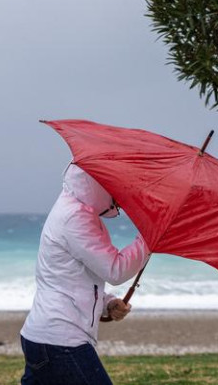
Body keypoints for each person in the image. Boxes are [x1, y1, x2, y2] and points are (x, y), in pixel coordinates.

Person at [20, 164, 150, 385]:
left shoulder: (76, 210)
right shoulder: (75, 217)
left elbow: (75, 276)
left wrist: (107, 303)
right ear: (97, 183)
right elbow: (115, 270)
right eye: (112, 184)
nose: (119, 193)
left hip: (43, 337)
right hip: (60, 341)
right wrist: (149, 237)